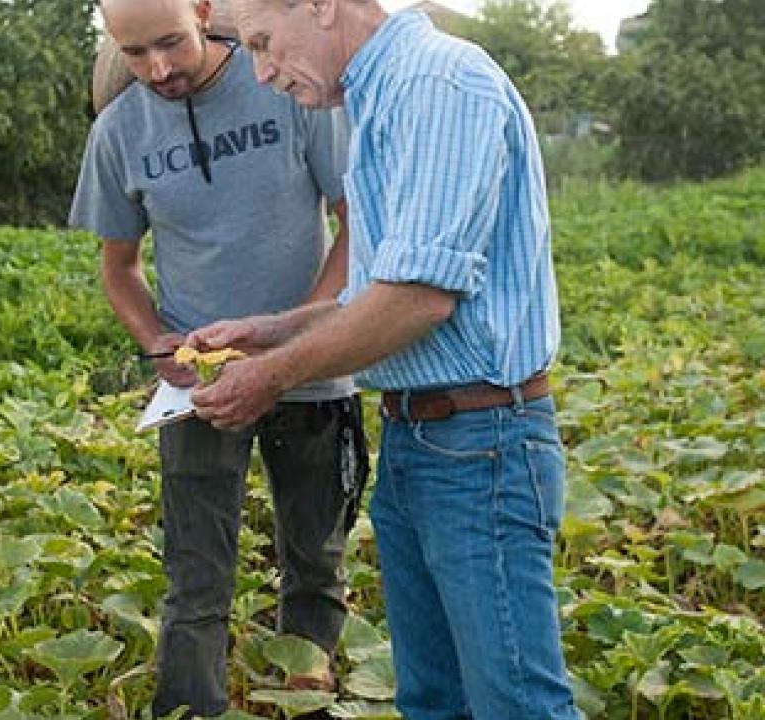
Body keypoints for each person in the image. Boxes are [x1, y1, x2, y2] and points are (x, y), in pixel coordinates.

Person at [188, 1, 579, 718]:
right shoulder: (377, 98)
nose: (264, 72)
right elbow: (379, 291)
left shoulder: (437, 83)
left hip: (480, 445)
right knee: (433, 700)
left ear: (321, 6)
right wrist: (266, 332)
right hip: (419, 439)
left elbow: (417, 299)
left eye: (266, 43)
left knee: (517, 704)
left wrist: (271, 379)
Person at [69, 0, 368, 715]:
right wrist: (156, 343)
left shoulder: (286, 85)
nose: (159, 69)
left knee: (316, 563)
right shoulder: (119, 131)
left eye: (170, 43)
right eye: (135, 53)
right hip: (198, 388)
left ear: (203, 12)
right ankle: (189, 708)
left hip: (314, 371)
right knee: (196, 575)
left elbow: (354, 222)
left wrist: (300, 336)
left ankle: (307, 696)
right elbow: (120, 270)